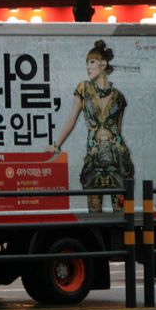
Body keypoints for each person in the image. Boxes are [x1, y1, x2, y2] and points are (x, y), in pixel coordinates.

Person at [49, 40, 134, 213]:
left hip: (117, 159)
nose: (88, 67)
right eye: (87, 63)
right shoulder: (84, 89)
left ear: (103, 64)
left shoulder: (119, 96)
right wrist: (56, 144)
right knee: (94, 210)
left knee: (121, 212)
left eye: (92, 62)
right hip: (94, 157)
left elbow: (119, 131)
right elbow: (71, 118)